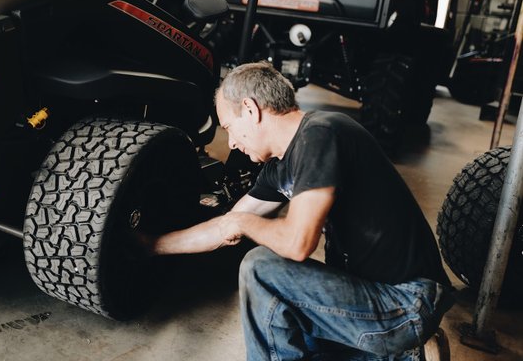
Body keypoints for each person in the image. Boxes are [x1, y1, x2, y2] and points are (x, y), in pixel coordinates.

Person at [142, 61, 453, 360]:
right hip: (370, 299)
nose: (232, 143)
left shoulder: (321, 133)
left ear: (250, 110)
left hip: (408, 301)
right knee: (282, 324)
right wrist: (151, 246)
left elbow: (298, 243)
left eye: (229, 128)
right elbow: (225, 227)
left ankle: (400, 346)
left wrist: (244, 222)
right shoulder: (278, 168)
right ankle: (409, 357)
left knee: (260, 268)